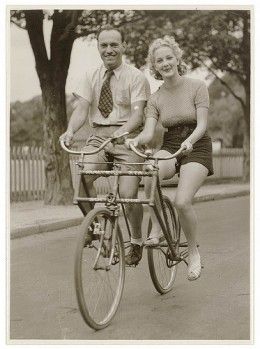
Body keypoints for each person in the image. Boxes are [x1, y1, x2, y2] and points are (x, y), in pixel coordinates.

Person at [60, 25, 150, 265]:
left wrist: (122, 133)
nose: (109, 50)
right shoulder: (90, 75)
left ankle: (137, 241)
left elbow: (137, 115)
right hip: (98, 136)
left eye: (114, 45)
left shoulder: (136, 77)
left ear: (123, 46)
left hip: (128, 137)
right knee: (81, 181)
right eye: (104, 45)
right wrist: (70, 131)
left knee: (129, 195)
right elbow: (81, 109)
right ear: (99, 47)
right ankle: (97, 228)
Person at [126, 36, 213, 281]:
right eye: (159, 60)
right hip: (172, 143)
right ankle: (157, 228)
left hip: (197, 144)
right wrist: (136, 140)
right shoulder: (155, 98)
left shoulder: (197, 86)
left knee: (182, 202)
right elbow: (148, 131)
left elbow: (203, 124)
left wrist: (190, 142)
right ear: (154, 66)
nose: (165, 63)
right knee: (150, 170)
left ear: (177, 59)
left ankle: (193, 251)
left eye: (168, 58)